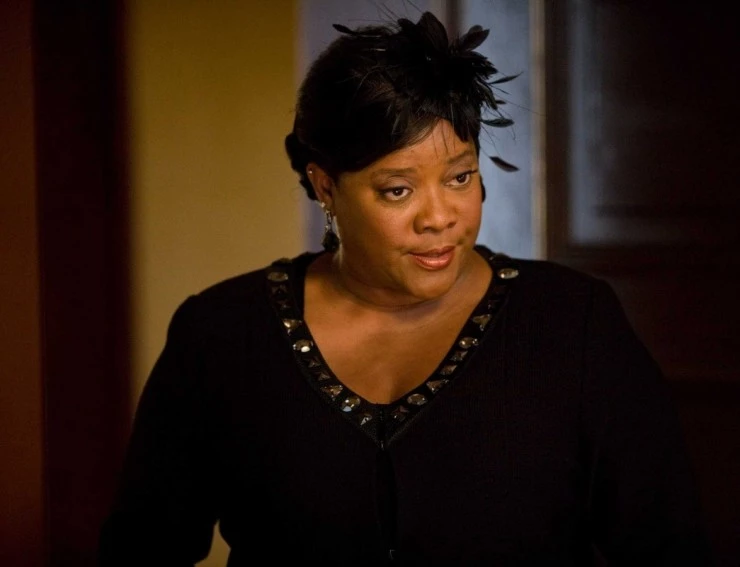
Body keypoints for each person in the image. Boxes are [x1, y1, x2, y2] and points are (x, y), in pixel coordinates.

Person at [98, 11, 714, 566]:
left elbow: (668, 547)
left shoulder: (572, 322)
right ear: (325, 186)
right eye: (398, 190)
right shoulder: (221, 335)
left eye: (460, 177)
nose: (439, 217)